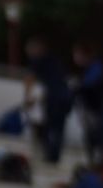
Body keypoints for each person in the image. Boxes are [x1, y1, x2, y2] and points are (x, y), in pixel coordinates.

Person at [27, 37, 74, 167]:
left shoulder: (40, 61)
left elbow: (31, 79)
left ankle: (50, 155)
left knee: (49, 127)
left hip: (54, 99)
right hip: (64, 97)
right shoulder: (56, 61)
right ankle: (54, 156)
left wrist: (28, 97)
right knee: (58, 129)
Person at [72, 42, 103, 164]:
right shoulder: (92, 68)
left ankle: (99, 160)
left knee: (96, 134)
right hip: (92, 106)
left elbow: (88, 85)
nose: (75, 58)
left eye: (77, 54)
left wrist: (77, 89)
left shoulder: (96, 67)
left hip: (95, 106)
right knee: (92, 134)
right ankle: (95, 159)